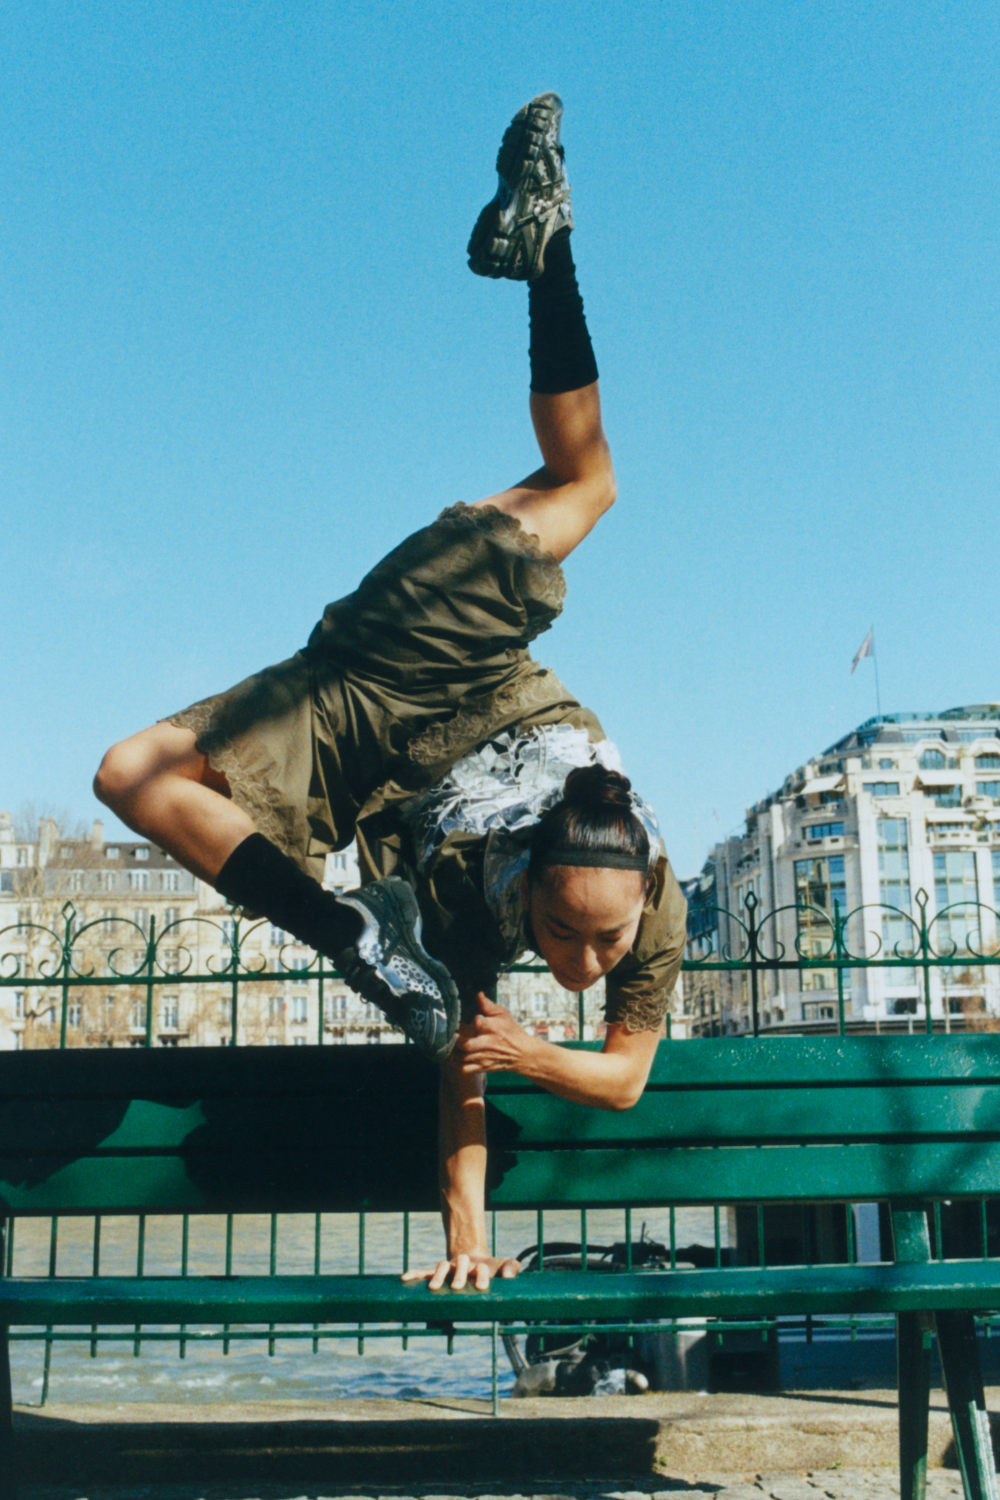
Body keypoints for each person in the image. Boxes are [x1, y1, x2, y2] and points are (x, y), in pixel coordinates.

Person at [94, 93, 688, 1292]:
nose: (583, 963)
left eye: (599, 941)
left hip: (366, 746)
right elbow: (518, 1062)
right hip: (439, 656)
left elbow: (613, 1080)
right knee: (590, 483)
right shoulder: (529, 894)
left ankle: (358, 936)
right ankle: (548, 247)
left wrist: (468, 1240)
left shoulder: (644, 904)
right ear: (533, 885)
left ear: (640, 912)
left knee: (130, 775)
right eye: (565, 934)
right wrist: (518, 1044)